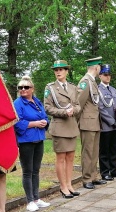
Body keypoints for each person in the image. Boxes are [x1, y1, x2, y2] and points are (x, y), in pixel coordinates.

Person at [44, 60, 81, 198]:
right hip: (59, 126)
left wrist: (74, 110)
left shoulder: (73, 87)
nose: (58, 72)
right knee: (61, 157)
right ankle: (63, 186)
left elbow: (78, 105)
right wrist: (64, 112)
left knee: (70, 157)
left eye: (61, 69)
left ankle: (69, 184)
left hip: (71, 126)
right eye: (56, 70)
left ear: (66, 71)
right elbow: (47, 107)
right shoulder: (50, 88)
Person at [14, 75, 51, 210]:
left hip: (38, 139)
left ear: (32, 89)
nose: (23, 89)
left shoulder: (36, 101)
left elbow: (45, 116)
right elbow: (17, 123)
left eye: (26, 87)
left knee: (36, 170)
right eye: (20, 87)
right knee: (27, 171)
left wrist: (45, 122)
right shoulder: (18, 103)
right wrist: (35, 123)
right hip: (26, 141)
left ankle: (36, 198)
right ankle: (29, 201)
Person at [77, 57, 106, 189]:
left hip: (94, 122)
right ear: (96, 67)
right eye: (99, 66)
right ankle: (86, 178)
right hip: (87, 123)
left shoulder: (92, 81)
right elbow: (78, 104)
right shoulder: (85, 82)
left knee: (94, 151)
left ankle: (93, 176)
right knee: (88, 152)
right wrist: (78, 122)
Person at [97, 64, 116, 181]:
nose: (108, 77)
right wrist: (112, 121)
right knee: (104, 150)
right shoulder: (98, 90)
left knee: (114, 148)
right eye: (105, 75)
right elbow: (100, 108)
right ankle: (105, 172)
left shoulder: (113, 89)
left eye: (109, 75)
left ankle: (113, 170)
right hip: (106, 125)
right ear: (100, 76)